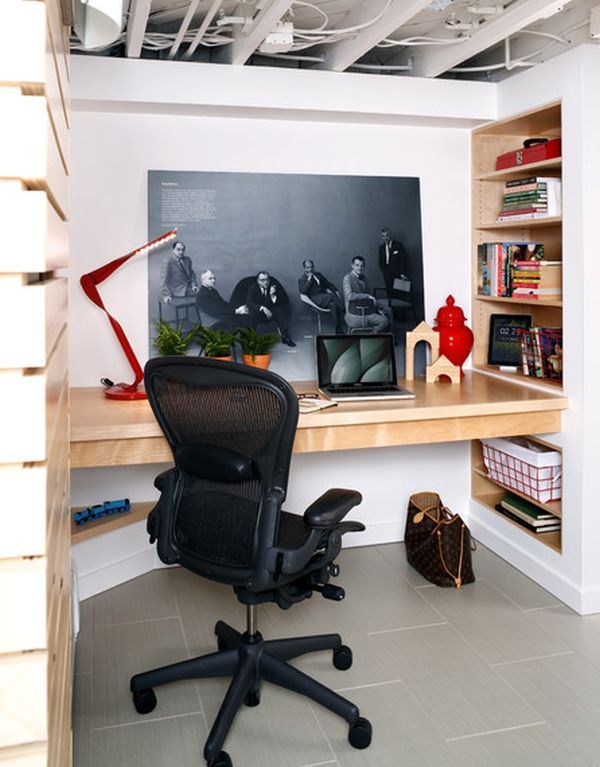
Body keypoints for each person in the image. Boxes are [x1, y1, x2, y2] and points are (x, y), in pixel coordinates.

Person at [342, 255, 392, 333]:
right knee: (385, 321)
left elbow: (369, 295)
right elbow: (350, 296)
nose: (359, 268)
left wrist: (374, 303)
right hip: (356, 313)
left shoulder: (365, 278)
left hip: (366, 307)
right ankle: (374, 334)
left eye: (362, 266)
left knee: (388, 310)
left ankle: (388, 334)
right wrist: (367, 296)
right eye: (357, 265)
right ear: (352, 266)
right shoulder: (347, 278)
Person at [246, 271, 295, 347]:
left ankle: (285, 336)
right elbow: (249, 303)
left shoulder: (273, 287)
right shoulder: (252, 288)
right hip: (258, 314)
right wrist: (262, 308)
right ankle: (252, 339)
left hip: (269, 313)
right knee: (253, 313)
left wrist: (272, 296)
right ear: (258, 281)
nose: (266, 282)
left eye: (267, 279)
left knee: (278, 310)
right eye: (263, 280)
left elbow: (283, 302)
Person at [298, 259, 345, 334]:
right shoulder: (302, 279)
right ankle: (345, 310)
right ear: (304, 268)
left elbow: (328, 284)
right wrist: (309, 281)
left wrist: (335, 290)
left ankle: (338, 327)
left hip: (324, 297)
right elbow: (302, 291)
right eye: (308, 267)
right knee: (331, 295)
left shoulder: (318, 275)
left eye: (312, 267)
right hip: (314, 299)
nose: (310, 269)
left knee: (333, 304)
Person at [378, 227, 409, 305]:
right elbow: (381, 260)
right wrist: (384, 270)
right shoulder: (381, 248)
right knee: (390, 295)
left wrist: (402, 273)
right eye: (383, 236)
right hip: (387, 274)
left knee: (399, 296)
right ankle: (392, 315)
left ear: (390, 235)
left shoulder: (398, 245)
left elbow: (403, 259)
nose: (385, 238)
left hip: (398, 273)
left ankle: (400, 316)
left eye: (387, 235)